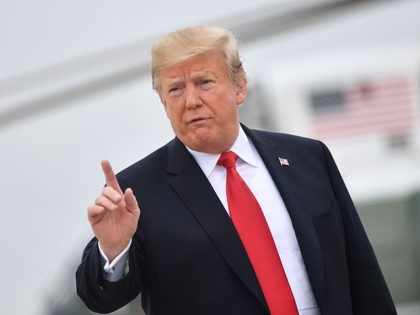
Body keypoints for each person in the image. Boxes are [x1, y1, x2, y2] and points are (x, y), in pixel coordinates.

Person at [76, 25, 397, 315]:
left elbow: (364, 277)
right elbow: (101, 298)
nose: (191, 101)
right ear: (163, 103)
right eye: (176, 89)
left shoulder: (308, 158)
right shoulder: (135, 191)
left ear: (240, 87)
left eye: (204, 82)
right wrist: (114, 250)